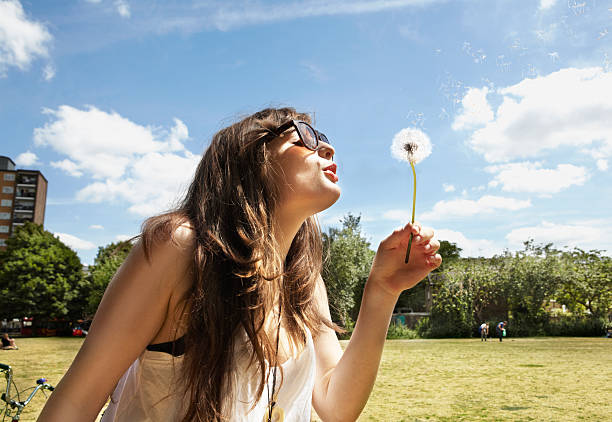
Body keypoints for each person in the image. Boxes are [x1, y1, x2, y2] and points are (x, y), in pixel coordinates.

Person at [38, 107, 442, 422]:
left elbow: (336, 406)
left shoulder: (304, 282)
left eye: (325, 139)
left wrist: (381, 292)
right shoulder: (183, 250)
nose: (327, 148)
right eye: (304, 135)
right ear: (251, 158)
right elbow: (77, 401)